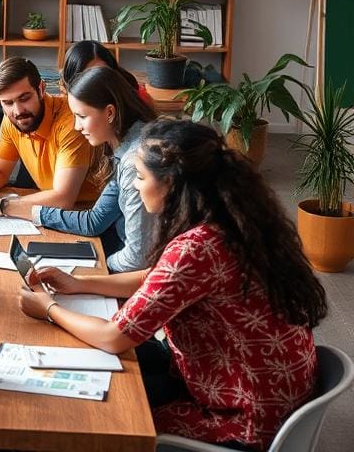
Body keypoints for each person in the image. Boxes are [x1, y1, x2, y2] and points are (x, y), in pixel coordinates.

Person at [20, 119, 328, 451]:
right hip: (262, 386)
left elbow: (114, 337)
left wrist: (49, 308)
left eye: (140, 177)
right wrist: (78, 284)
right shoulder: (231, 221)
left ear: (171, 183)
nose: (136, 187)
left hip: (243, 418)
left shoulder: (197, 247)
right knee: (115, 367)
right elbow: (156, 280)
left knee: (103, 412)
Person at [32, 66, 156, 272]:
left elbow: (136, 259)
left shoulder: (135, 162)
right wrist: (34, 213)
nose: (76, 127)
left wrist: (99, 267)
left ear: (109, 113)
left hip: (133, 271)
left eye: (81, 116)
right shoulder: (127, 143)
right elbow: (95, 220)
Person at [0, 57, 96, 216]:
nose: (18, 111)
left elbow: (63, 198)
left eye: (24, 98)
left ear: (41, 89)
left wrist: (1, 206)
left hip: (86, 212)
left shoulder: (71, 123)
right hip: (48, 208)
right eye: (8, 103)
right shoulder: (11, 120)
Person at [61, 40, 152, 105]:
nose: (97, 80)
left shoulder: (135, 96)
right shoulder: (65, 104)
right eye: (87, 76)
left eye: (102, 72)